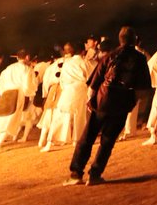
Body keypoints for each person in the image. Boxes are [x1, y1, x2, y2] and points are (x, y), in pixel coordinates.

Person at [64, 26, 151, 186]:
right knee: (108, 141)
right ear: (135, 40)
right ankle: (95, 175)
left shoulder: (111, 55)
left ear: (120, 39)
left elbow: (94, 83)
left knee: (87, 138)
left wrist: (91, 101)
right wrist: (132, 102)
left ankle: (76, 174)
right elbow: (143, 88)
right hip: (122, 102)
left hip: (103, 100)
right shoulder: (139, 58)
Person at [0, 48, 33, 155]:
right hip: (17, 95)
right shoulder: (27, 69)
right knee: (9, 123)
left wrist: (3, 94)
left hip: (5, 95)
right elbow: (28, 86)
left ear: (17, 57)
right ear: (27, 57)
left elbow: (1, 83)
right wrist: (29, 95)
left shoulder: (8, 68)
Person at [37, 46, 68, 150]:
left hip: (52, 89)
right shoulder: (70, 63)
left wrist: (45, 95)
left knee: (48, 115)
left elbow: (46, 82)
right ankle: (53, 139)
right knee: (58, 116)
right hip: (64, 90)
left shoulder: (51, 67)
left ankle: (41, 140)